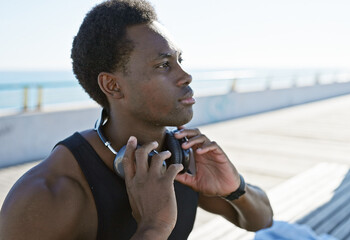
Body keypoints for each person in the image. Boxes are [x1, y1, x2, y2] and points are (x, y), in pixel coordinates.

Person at [0, 0, 273, 239]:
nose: (186, 76)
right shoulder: (46, 194)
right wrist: (153, 228)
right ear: (113, 86)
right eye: (164, 65)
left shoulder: (180, 157)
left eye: (180, 60)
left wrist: (235, 188)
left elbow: (261, 220)